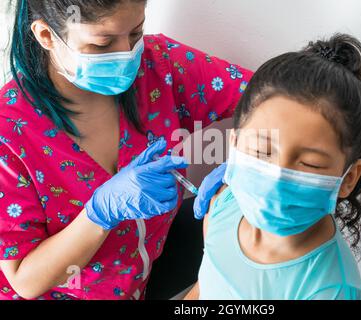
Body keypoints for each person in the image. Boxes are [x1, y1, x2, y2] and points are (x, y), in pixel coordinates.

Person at [0, 0, 252, 300]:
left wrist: (251, 164)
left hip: (139, 280)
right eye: (102, 43)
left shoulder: (161, 66)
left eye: (135, 34)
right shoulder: (9, 134)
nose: (126, 55)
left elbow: (276, 99)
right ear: (46, 35)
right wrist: (97, 216)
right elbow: (26, 282)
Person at [186, 33, 361, 300]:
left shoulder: (330, 290)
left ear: (349, 178)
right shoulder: (224, 205)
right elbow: (201, 289)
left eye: (310, 163)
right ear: (235, 144)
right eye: (260, 151)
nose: (276, 178)